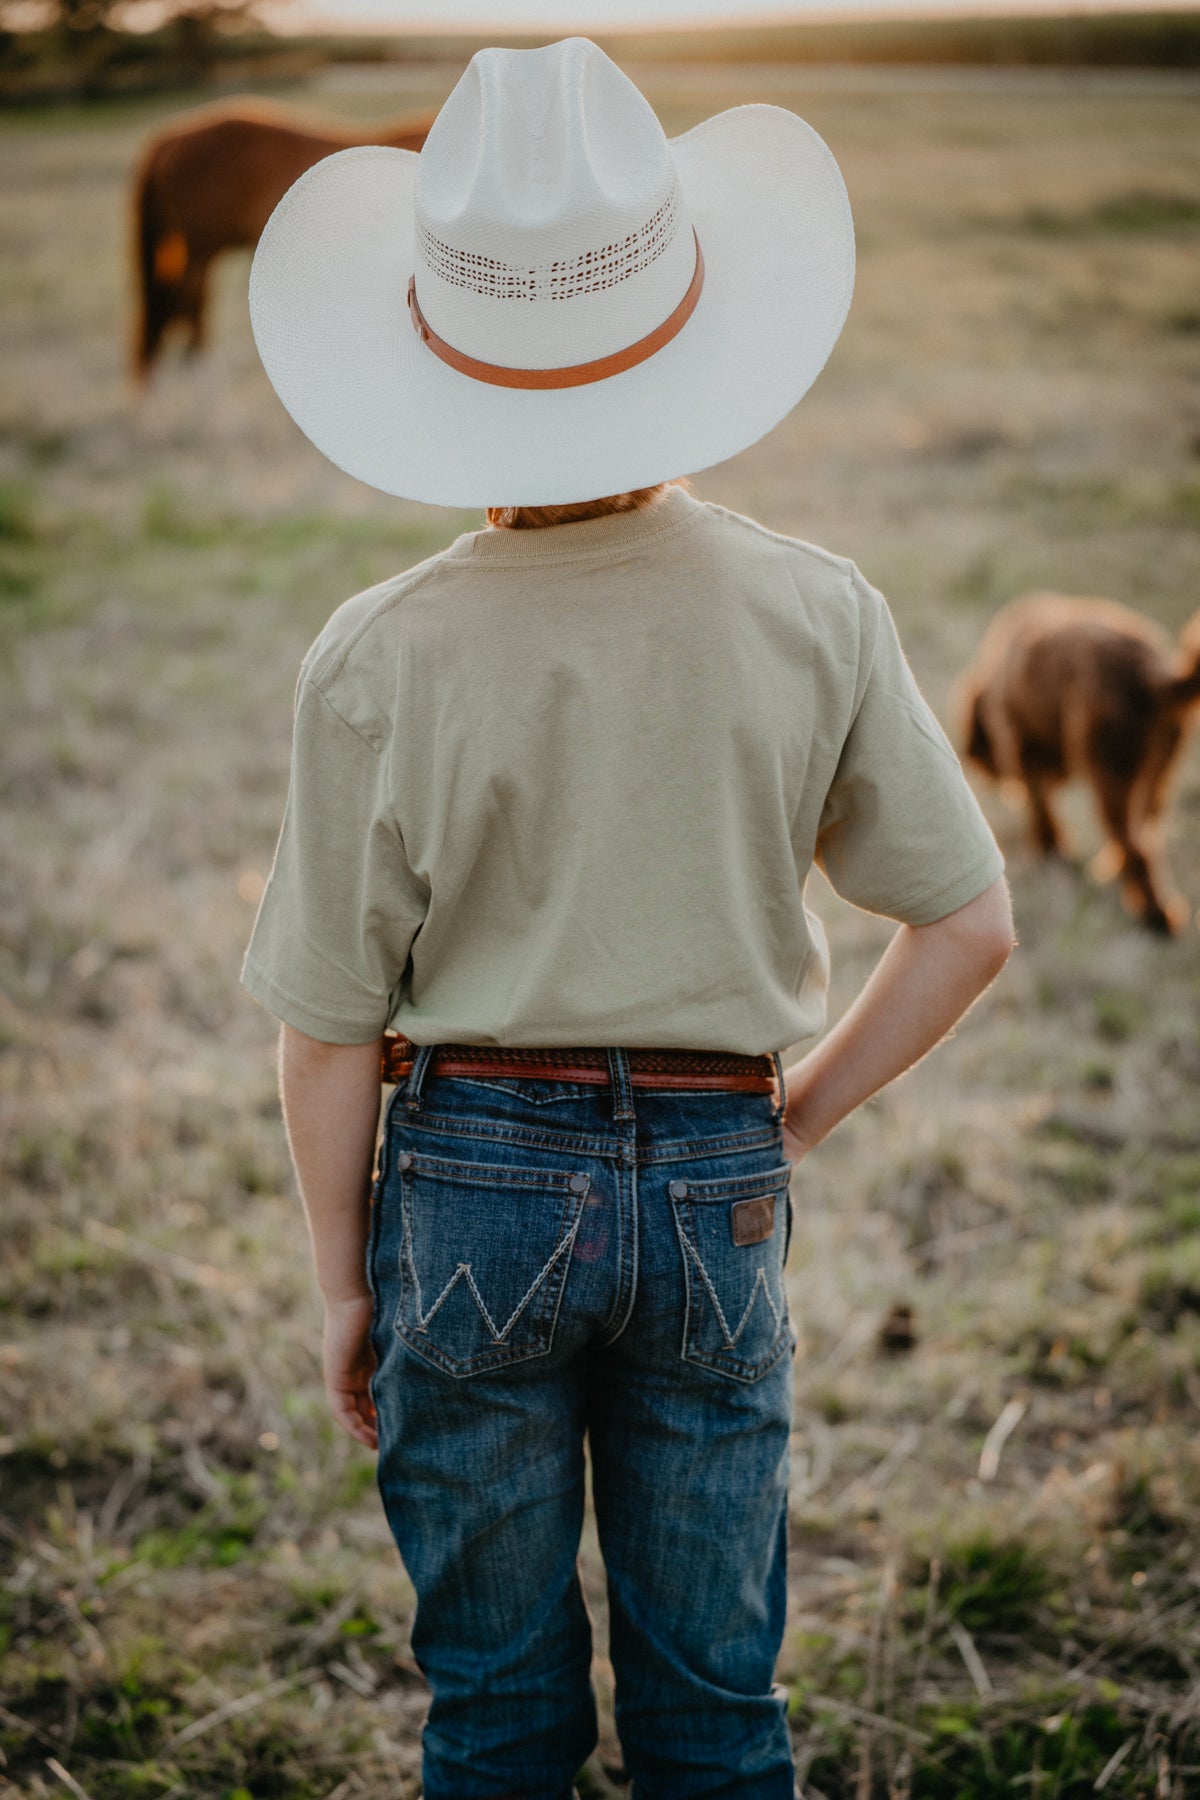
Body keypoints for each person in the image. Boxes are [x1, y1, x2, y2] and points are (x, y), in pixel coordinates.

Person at [242, 37, 1013, 1800]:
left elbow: (327, 1029)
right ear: (686, 329)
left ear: (438, 369)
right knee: (717, 1717)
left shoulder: (378, 653)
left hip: (468, 1193)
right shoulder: (818, 611)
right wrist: (792, 1118)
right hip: (717, 1176)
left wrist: (346, 1284)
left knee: (496, 1715)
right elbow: (970, 927)